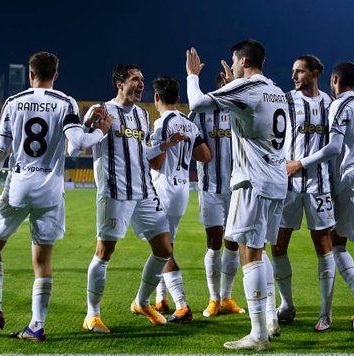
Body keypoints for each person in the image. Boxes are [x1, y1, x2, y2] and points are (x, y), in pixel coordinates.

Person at [0, 52, 111, 342]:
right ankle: (36, 325)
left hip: (17, 187)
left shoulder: (13, 102)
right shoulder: (66, 102)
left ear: (31, 74)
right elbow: (78, 143)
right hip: (49, 190)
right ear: (55, 75)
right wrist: (100, 132)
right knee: (42, 261)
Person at [187, 39, 288, 351]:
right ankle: (270, 318)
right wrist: (234, 89)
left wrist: (192, 75)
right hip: (276, 179)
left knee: (250, 255)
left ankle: (258, 335)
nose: (230, 66)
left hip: (253, 182)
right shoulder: (276, 90)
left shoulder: (249, 88)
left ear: (244, 61)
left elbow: (197, 103)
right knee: (259, 250)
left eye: (233, 60)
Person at [82, 65, 184, 334]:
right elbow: (79, 142)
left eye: (141, 80)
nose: (141, 84)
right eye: (134, 79)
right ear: (119, 84)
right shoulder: (101, 111)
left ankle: (142, 302)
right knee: (105, 252)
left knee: (163, 249)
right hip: (115, 192)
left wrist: (164, 145)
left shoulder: (141, 114)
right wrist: (91, 127)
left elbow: (142, 152)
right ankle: (92, 314)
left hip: (145, 191)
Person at [287, 61, 354, 332]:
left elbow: (334, 147)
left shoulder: (338, 104)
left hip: (352, 180)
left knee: (336, 245)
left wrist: (300, 163)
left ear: (334, 80)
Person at [271, 55, 336, 332]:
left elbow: (337, 144)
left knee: (323, 247)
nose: (294, 76)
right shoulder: (285, 100)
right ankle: (287, 305)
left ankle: (326, 313)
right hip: (287, 185)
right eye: (293, 71)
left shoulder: (330, 105)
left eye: (299, 71)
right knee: (277, 246)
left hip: (319, 185)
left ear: (315, 73)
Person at [149, 76, 211, 323]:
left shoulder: (161, 123)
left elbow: (155, 162)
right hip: (183, 189)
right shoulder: (189, 123)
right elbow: (205, 155)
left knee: (162, 250)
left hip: (163, 189)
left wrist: (161, 149)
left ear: (156, 98)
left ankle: (182, 305)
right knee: (166, 244)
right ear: (177, 98)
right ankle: (160, 300)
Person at [189, 73, 246, 318]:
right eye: (226, 86)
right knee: (214, 243)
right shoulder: (201, 113)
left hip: (237, 187)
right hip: (210, 186)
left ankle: (226, 297)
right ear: (219, 89)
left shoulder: (242, 110)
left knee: (233, 243)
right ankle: (213, 299)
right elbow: (190, 142)